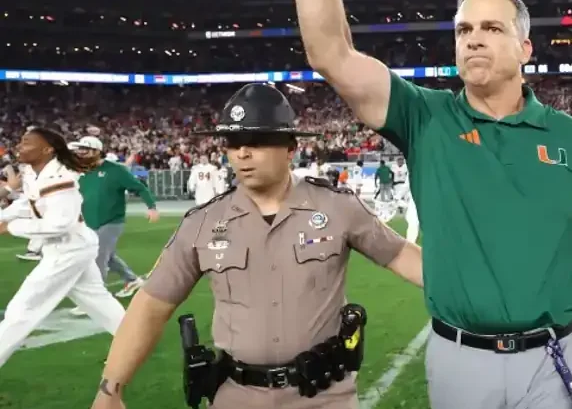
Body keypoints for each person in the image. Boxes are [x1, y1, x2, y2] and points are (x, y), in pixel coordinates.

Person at [282, 0, 572, 408]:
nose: (472, 38)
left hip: (554, 357)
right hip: (460, 358)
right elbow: (329, 52)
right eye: (464, 29)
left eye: (490, 28)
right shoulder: (426, 117)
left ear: (525, 48)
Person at [90, 83, 423, 409]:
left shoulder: (337, 207)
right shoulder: (203, 222)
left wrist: (471, 284)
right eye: (233, 143)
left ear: (291, 149)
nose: (243, 153)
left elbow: (403, 257)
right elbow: (151, 306)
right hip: (236, 395)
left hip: (324, 395)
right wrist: (110, 388)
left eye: (257, 141)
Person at [0, 127, 125, 367]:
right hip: (72, 247)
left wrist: (11, 227)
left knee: (23, 308)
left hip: (68, 249)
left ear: (47, 149)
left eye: (27, 143)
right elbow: (31, 203)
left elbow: (59, 224)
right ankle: (135, 338)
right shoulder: (35, 173)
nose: (19, 147)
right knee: (98, 301)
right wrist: (4, 218)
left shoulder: (61, 178)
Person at [69, 135, 160, 302]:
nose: (80, 154)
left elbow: (139, 188)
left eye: (85, 150)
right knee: (109, 256)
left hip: (111, 221)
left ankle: (96, 298)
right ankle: (132, 280)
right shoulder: (80, 172)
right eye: (79, 150)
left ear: (96, 151)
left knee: (98, 257)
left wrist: (151, 207)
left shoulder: (116, 170)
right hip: (89, 222)